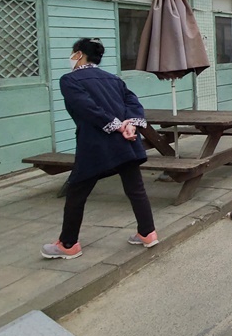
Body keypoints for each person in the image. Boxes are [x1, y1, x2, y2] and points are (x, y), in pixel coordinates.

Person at [41, 38, 157, 259]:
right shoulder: (113, 79)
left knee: (76, 192)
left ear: (78, 54)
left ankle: (68, 244)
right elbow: (133, 103)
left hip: (95, 146)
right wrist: (129, 125)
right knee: (136, 189)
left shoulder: (70, 80)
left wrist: (115, 126)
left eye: (73, 53)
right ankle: (147, 233)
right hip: (127, 144)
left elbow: (87, 108)